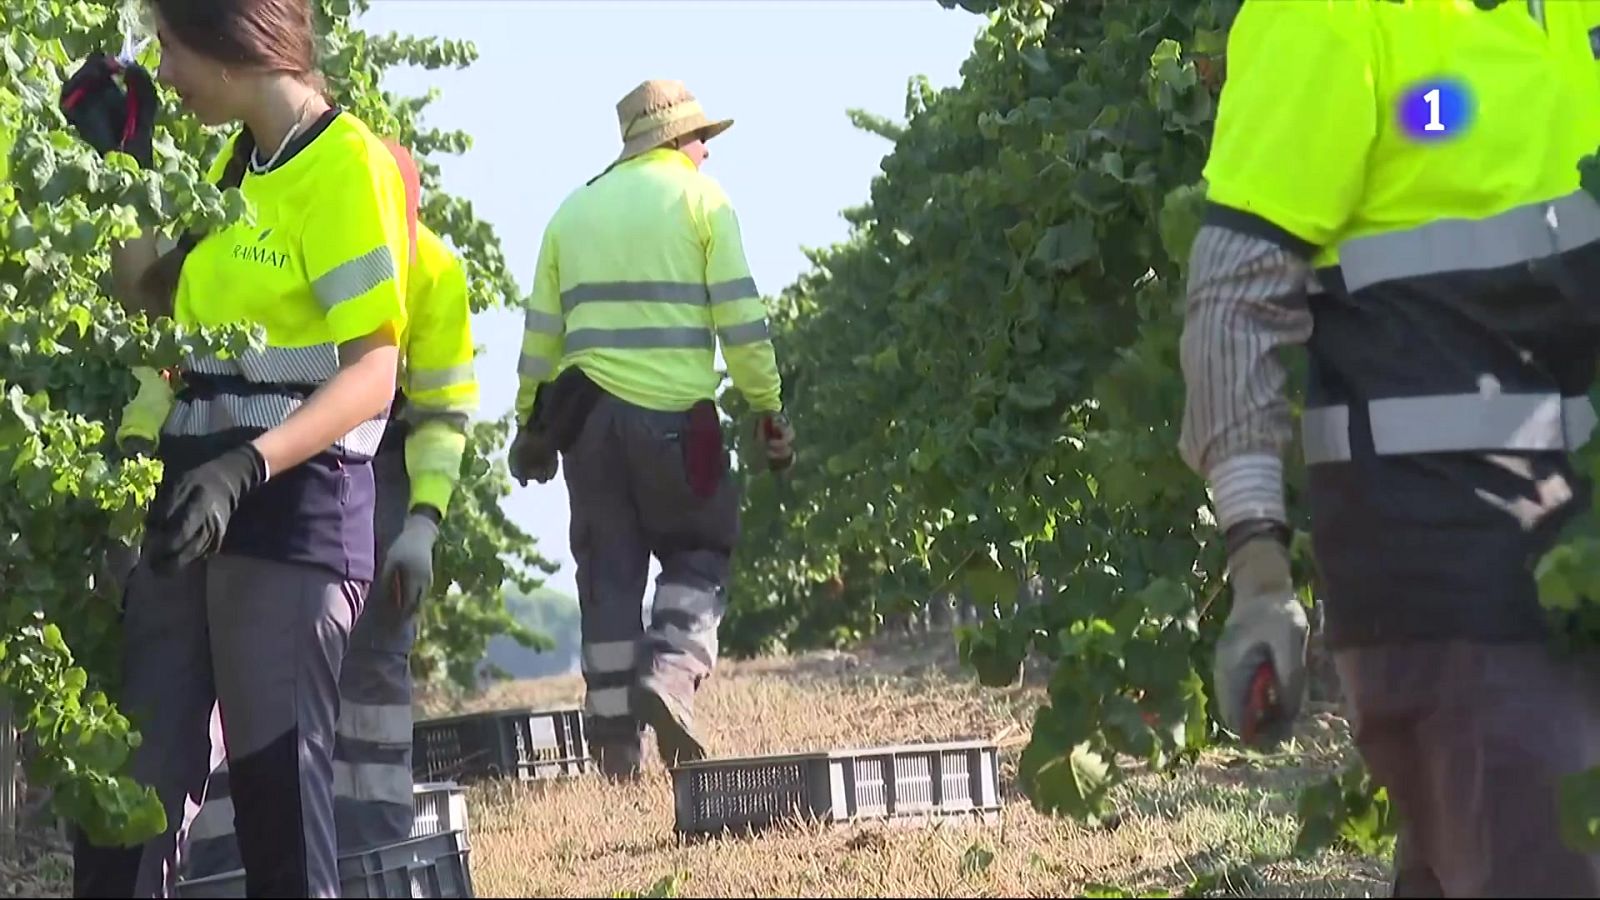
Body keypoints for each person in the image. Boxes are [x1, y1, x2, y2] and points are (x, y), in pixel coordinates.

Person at [1180, 1, 1600, 895]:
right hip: (1456, 576)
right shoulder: (1332, 20)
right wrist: (1258, 572)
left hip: (1577, 564)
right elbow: (1232, 309)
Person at [61, 0, 412, 895]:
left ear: (229, 46)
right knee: (127, 799)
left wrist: (248, 465)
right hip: (191, 507)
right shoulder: (234, 172)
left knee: (276, 811)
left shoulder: (344, 167)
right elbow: (147, 294)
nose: (167, 75)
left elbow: (373, 371)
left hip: (291, 514)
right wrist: (127, 163)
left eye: (172, 51)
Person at [179, 140, 480, 877]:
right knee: (250, 670)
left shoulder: (432, 268)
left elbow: (441, 412)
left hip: (380, 454)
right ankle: (229, 854)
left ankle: (374, 843)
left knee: (374, 651)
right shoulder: (295, 234)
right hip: (282, 440)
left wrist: (421, 525)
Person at [510, 79, 795, 778]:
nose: (707, 152)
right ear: (675, 140)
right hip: (675, 421)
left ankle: (614, 750)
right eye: (702, 140)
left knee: (607, 578)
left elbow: (540, 336)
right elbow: (739, 316)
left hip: (587, 429)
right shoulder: (702, 201)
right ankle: (669, 674)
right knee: (701, 549)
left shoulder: (570, 213)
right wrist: (766, 406)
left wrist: (530, 425)